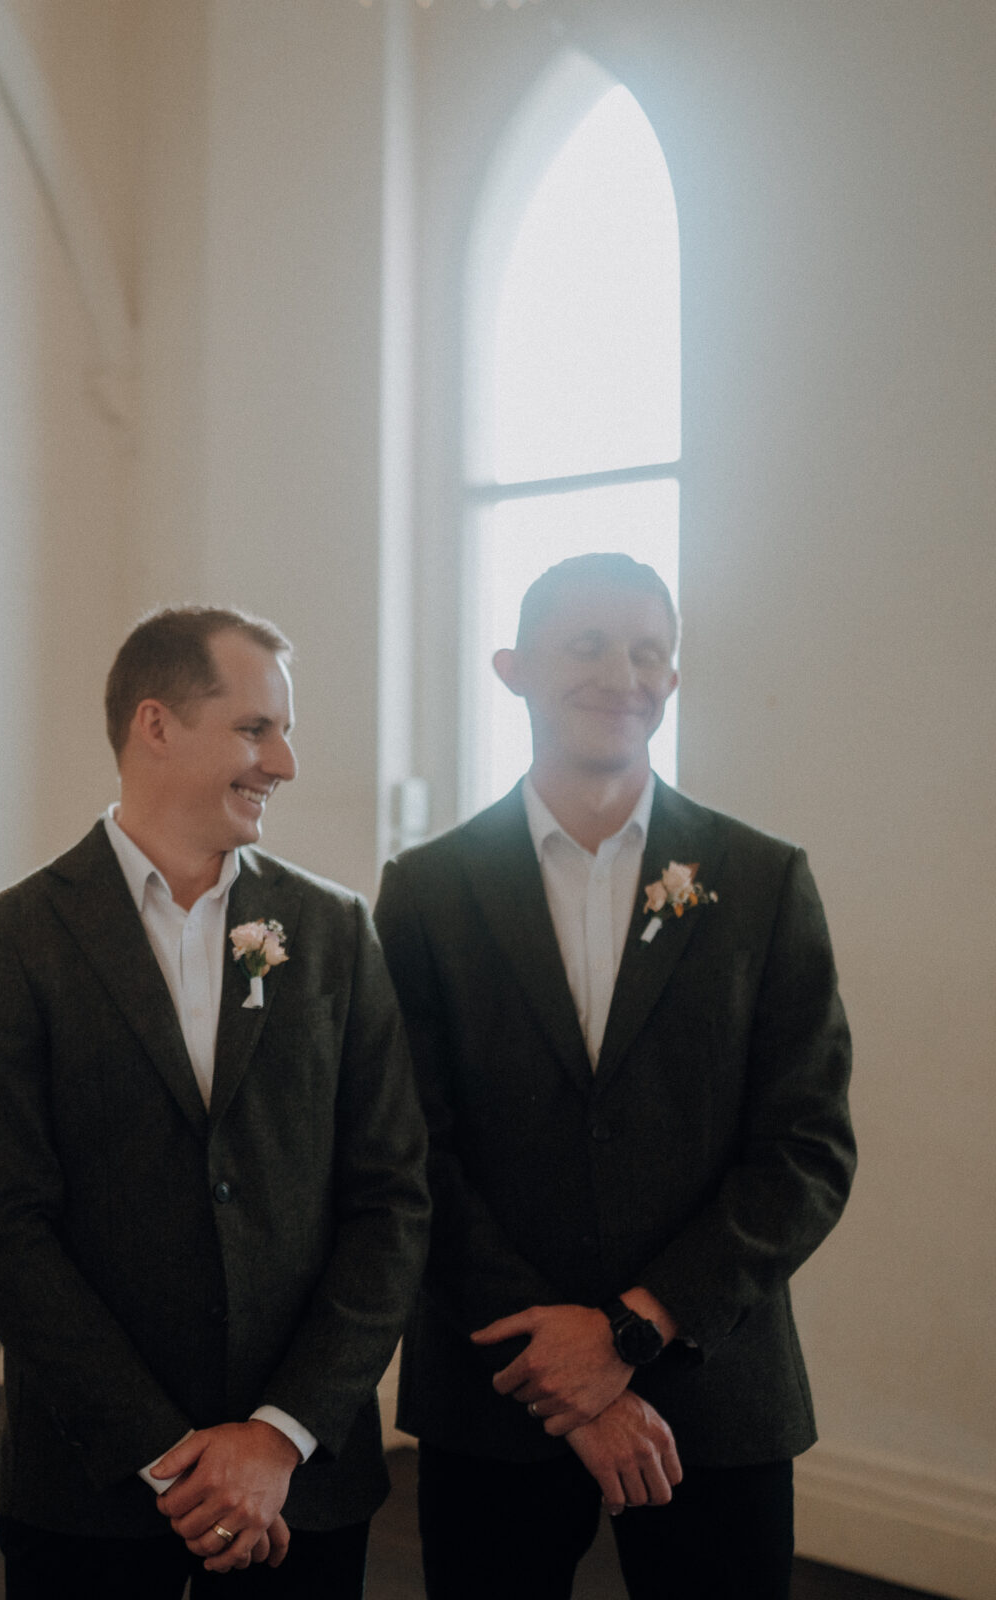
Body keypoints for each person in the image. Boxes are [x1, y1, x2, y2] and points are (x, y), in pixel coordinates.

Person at [375, 553, 855, 1599]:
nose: (621, 673)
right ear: (513, 669)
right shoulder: (426, 892)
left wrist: (639, 1326)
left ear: (672, 682)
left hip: (714, 1395)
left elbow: (806, 1147)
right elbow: (409, 1149)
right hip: (494, 1390)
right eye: (585, 645)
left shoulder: (763, 881)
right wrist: (566, 1373)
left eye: (648, 652)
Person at [0, 605, 430, 1598]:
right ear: (154, 725)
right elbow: (0, 1226)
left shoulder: (334, 931)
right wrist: (166, 1453)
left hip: (304, 1485)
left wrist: (279, 1434)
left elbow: (391, 1199)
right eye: (257, 729)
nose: (284, 763)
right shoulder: (14, 938)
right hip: (93, 1486)